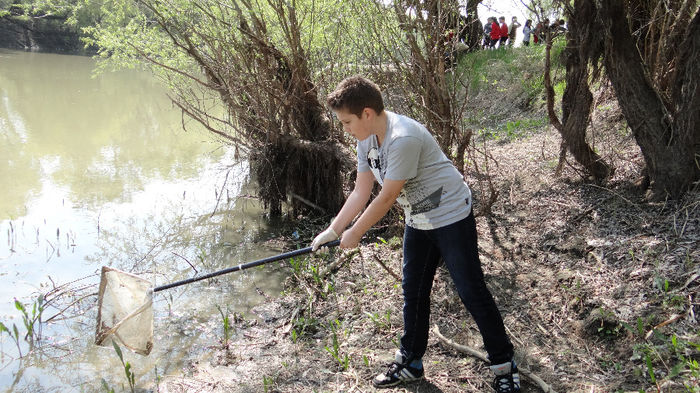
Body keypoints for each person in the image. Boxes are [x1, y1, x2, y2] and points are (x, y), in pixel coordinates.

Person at [311, 76, 520, 392]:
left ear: (367, 113)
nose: (346, 129)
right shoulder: (366, 138)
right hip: (419, 219)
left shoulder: (403, 138)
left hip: (450, 215)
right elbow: (361, 191)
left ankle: (504, 367)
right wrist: (334, 230)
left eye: (347, 121)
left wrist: (355, 234)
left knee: (471, 291)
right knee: (414, 292)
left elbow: (385, 198)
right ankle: (411, 363)